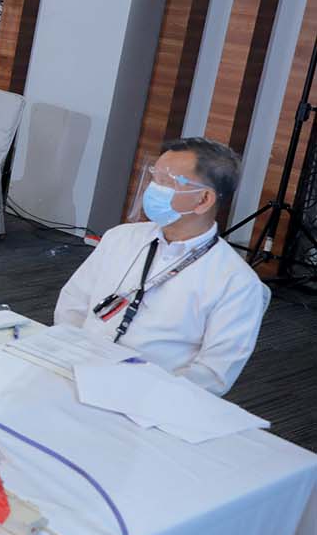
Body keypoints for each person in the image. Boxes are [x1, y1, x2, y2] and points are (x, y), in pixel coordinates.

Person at [55, 138, 267, 395]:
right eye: (155, 177)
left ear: (203, 200)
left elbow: (214, 374)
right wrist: (68, 358)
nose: (153, 189)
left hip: (148, 399)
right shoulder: (120, 238)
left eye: (167, 182)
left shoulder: (236, 282)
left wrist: (146, 396)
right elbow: (72, 304)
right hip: (75, 371)